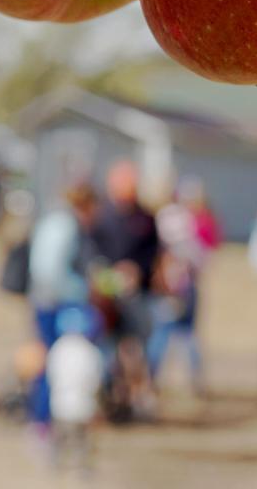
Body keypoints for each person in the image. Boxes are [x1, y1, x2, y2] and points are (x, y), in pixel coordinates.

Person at [90, 161, 158, 419]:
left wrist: (137, 270)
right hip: (106, 296)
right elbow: (92, 251)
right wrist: (104, 274)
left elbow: (153, 253)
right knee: (106, 349)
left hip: (136, 293)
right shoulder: (102, 216)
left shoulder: (145, 218)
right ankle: (108, 396)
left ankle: (133, 399)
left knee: (134, 350)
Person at [27, 182, 97, 429]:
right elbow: (49, 272)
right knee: (57, 364)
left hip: (49, 301)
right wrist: (83, 289)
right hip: (55, 305)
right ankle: (44, 419)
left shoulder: (56, 222)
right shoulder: (64, 225)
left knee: (52, 363)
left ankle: (45, 419)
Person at [149, 190, 207, 395]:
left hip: (170, 287)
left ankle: (152, 376)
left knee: (164, 333)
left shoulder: (162, 220)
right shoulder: (185, 221)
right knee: (184, 334)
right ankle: (194, 379)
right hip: (182, 286)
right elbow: (200, 258)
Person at [46, 306, 105, 472]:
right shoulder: (91, 351)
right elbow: (95, 382)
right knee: (83, 440)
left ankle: (55, 463)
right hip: (84, 407)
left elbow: (51, 376)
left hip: (59, 405)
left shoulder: (57, 348)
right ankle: (83, 467)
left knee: (59, 439)